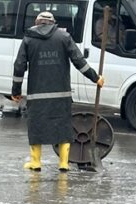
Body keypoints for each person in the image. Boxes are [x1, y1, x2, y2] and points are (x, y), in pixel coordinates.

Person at [12, 11, 104, 172]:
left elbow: (19, 66)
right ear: (53, 23)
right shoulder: (64, 37)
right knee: (63, 127)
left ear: (37, 22)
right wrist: (95, 78)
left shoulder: (29, 38)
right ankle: (63, 163)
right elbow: (79, 61)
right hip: (61, 95)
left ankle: (36, 162)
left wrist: (16, 91)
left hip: (37, 95)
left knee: (36, 126)